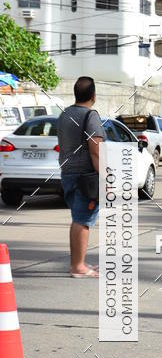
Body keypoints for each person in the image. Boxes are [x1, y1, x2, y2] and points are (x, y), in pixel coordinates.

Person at [57, 76, 106, 277]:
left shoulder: (64, 114)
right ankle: (78, 267)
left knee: (77, 219)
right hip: (86, 177)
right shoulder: (90, 116)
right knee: (83, 220)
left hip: (68, 174)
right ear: (93, 95)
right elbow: (95, 150)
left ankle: (78, 263)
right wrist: (105, 177)